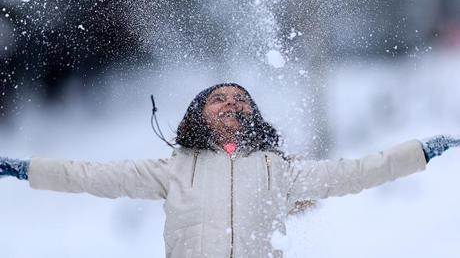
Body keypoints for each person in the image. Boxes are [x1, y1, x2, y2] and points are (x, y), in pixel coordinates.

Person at [0, 82, 459, 258]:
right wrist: (25, 169)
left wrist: (421, 151)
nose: (232, 103)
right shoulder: (174, 169)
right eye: (219, 98)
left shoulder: (279, 171)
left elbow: (359, 171)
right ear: (198, 114)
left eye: (241, 99)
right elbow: (90, 175)